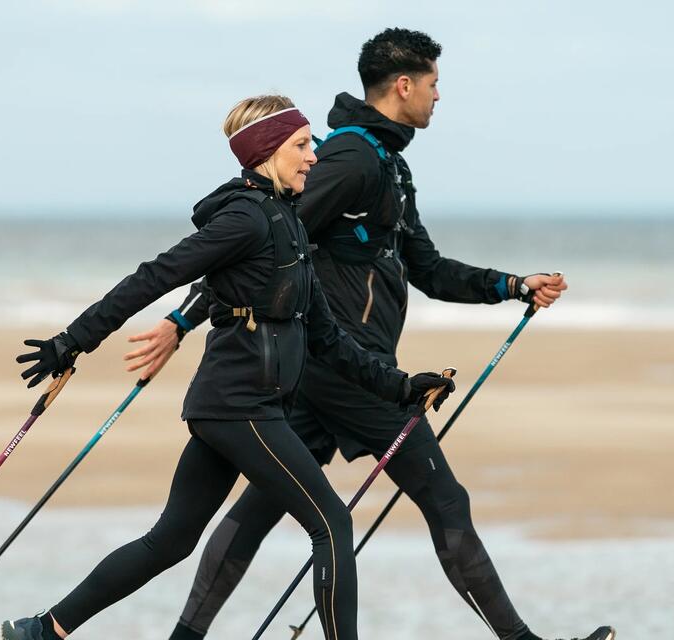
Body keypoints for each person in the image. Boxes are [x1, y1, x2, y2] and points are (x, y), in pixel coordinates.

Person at [127, 29, 612, 640]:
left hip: (332, 366)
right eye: (434, 83)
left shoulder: (388, 164)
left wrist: (511, 286)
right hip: (348, 368)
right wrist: (182, 320)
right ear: (404, 85)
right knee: (444, 499)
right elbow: (259, 244)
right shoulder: (351, 160)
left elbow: (427, 268)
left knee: (261, 505)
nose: (439, 96)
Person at [0, 94, 458, 640]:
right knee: (332, 523)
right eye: (301, 145)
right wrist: (73, 341)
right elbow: (154, 276)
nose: (314, 156)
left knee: (171, 540)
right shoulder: (245, 218)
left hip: (243, 406)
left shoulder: (290, 222)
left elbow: (329, 338)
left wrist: (402, 386)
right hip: (240, 406)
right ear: (268, 151)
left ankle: (43, 630)